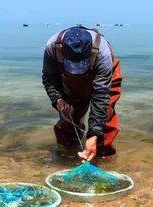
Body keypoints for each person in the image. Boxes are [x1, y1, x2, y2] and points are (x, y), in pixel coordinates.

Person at [42, 25, 122, 161]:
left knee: (106, 114)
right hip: (68, 78)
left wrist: (94, 134)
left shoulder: (103, 54)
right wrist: (58, 99)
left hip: (104, 75)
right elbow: (49, 79)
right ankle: (68, 153)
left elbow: (101, 95)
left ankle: (103, 156)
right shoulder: (52, 48)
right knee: (70, 113)